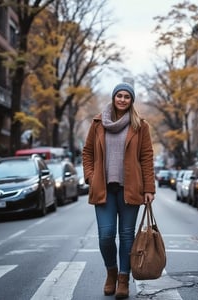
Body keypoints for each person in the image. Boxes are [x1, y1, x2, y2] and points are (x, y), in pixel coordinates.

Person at [82, 82, 155, 299]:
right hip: (103, 189)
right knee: (105, 236)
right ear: (114, 98)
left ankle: (123, 278)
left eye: (127, 97)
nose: (122, 99)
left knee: (126, 236)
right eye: (119, 96)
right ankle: (111, 272)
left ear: (131, 100)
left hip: (130, 189)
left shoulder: (140, 125)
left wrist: (149, 188)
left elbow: (147, 157)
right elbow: (87, 152)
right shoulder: (97, 123)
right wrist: (90, 176)